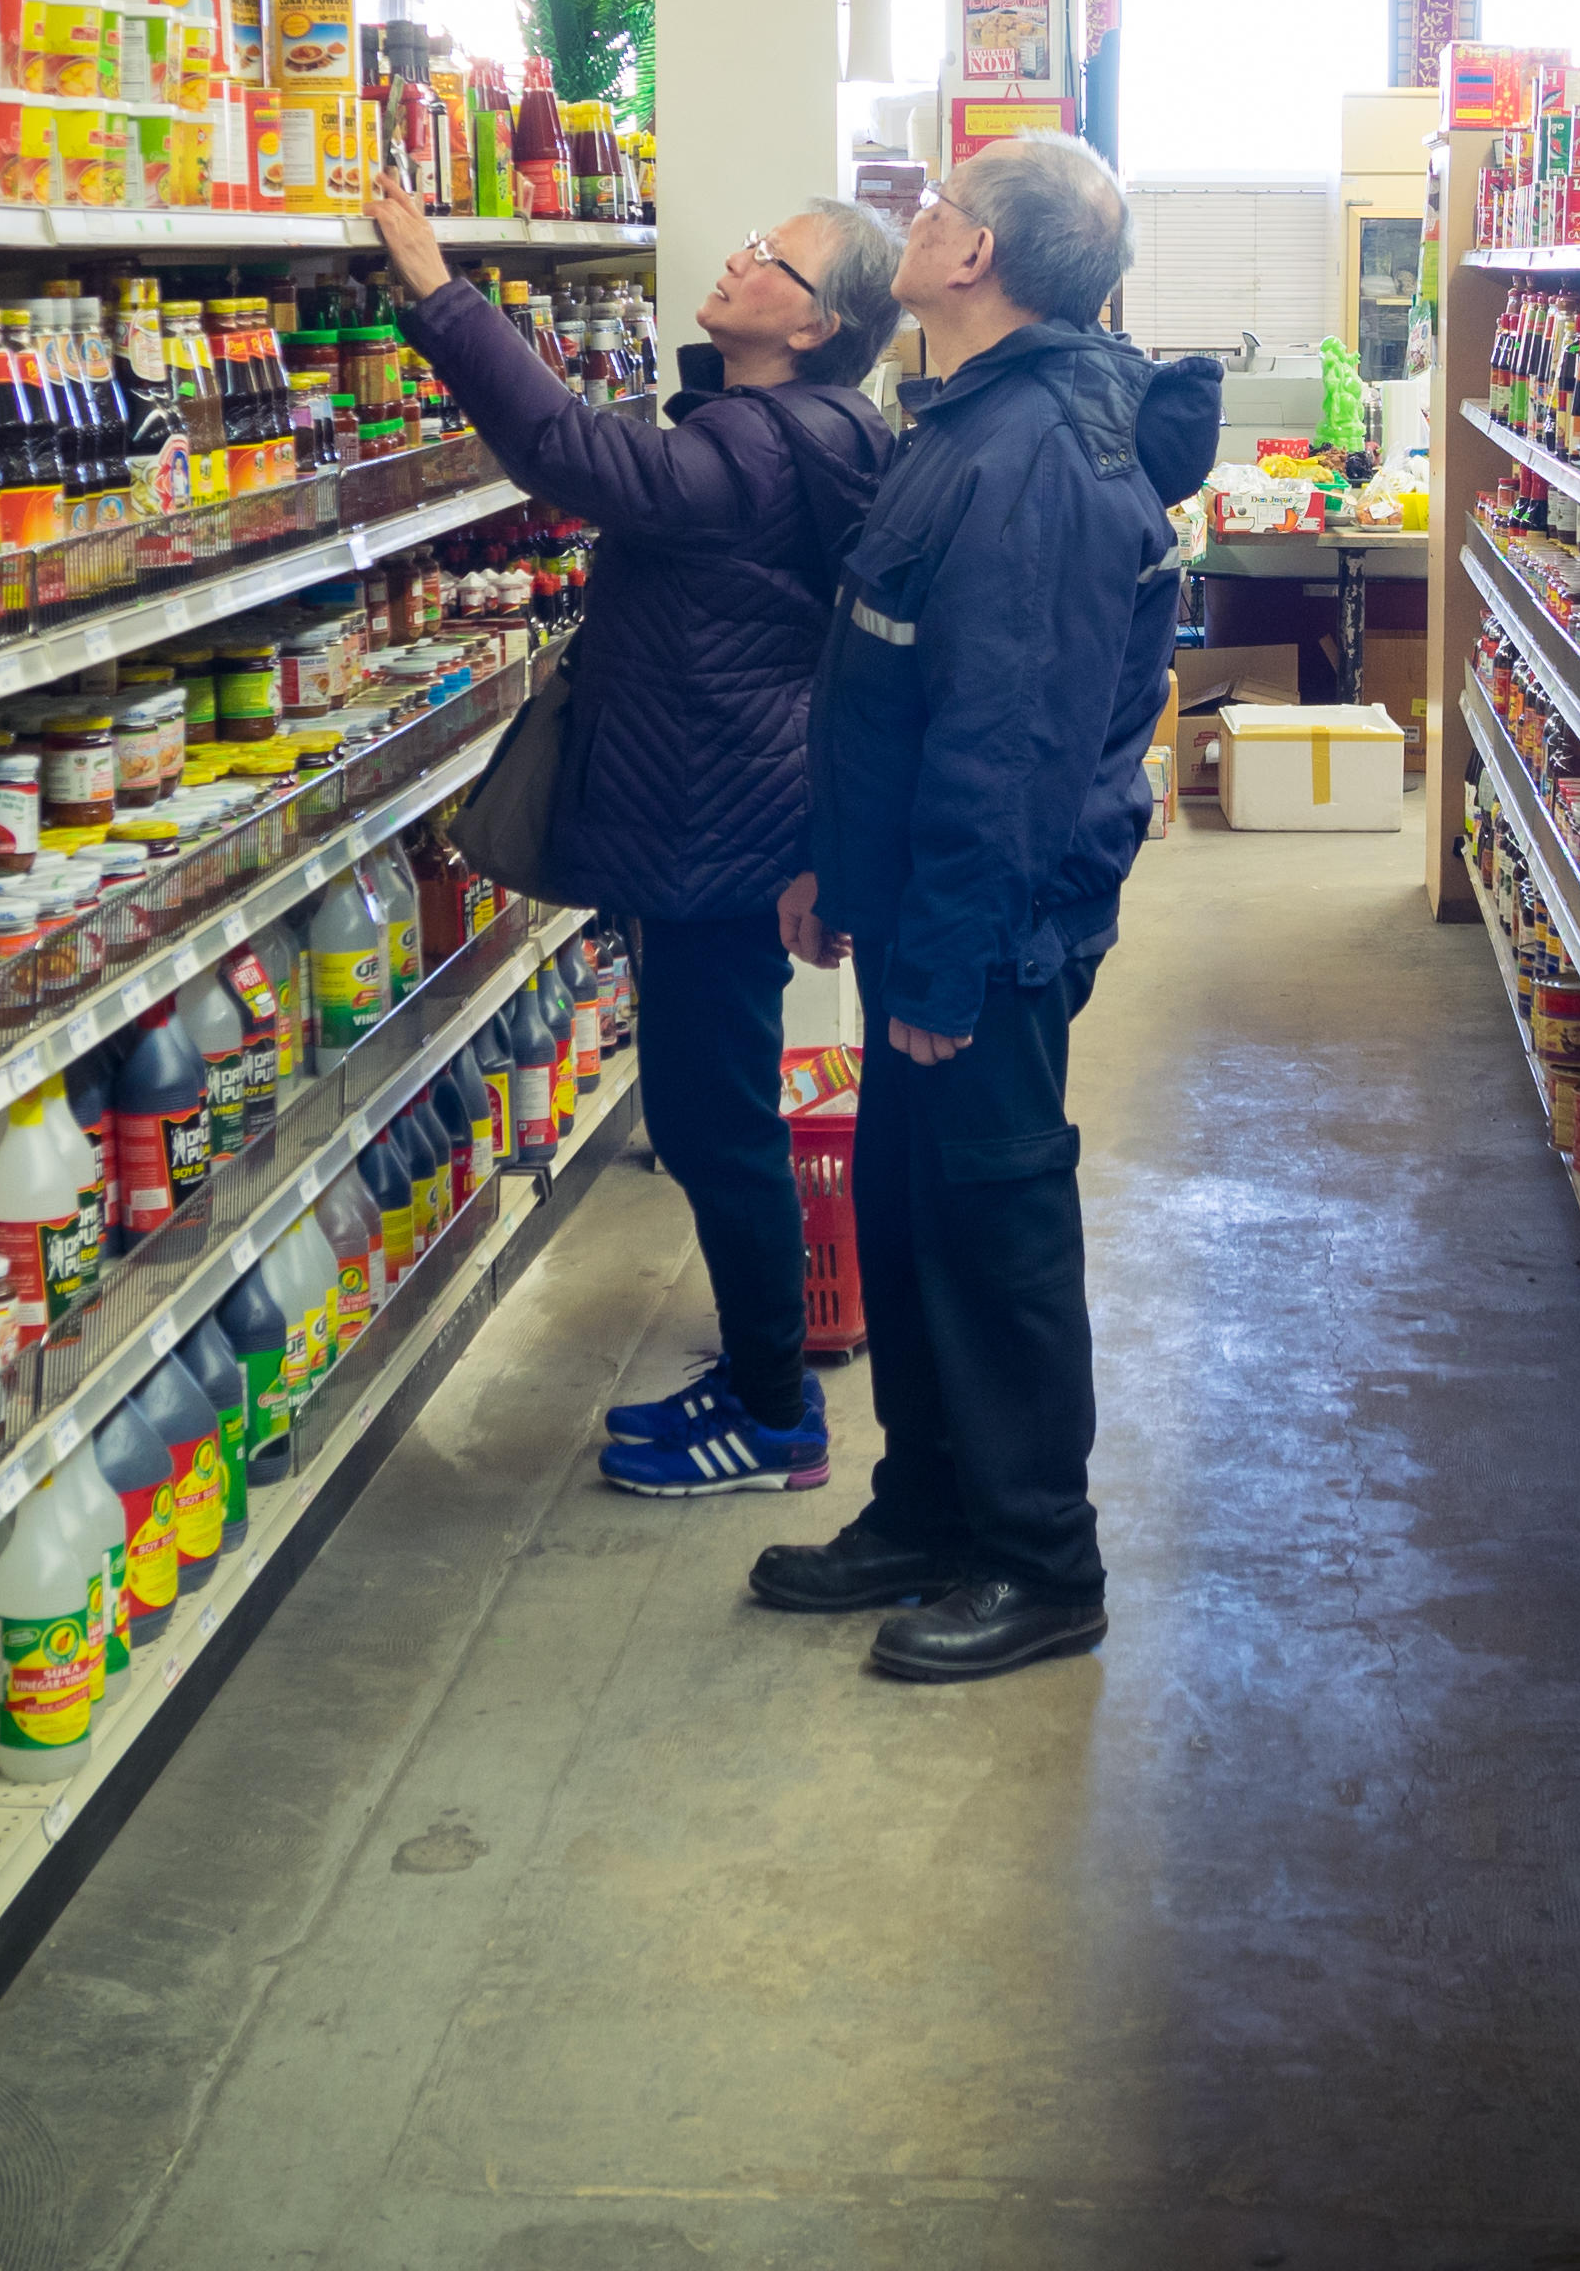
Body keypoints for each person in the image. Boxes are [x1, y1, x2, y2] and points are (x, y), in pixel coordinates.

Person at [757, 130, 1218, 1683]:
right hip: (925, 916)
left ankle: (1039, 1558)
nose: (916, 220)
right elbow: (893, 682)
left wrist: (945, 964)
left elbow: (1006, 752)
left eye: (939, 208)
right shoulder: (966, 418)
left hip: (993, 932)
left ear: (978, 264)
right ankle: (930, 1506)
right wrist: (842, 867)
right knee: (907, 1216)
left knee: (996, 1231)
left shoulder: (1034, 463)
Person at [368, 172, 900, 1498]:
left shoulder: (767, 444)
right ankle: (759, 1379)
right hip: (727, 810)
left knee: (715, 1118)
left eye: (772, 254)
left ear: (817, 323)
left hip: (723, 825)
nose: (740, 253)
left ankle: (776, 1413)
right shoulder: (801, 428)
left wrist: (441, 296)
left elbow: (576, 457)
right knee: (710, 1105)